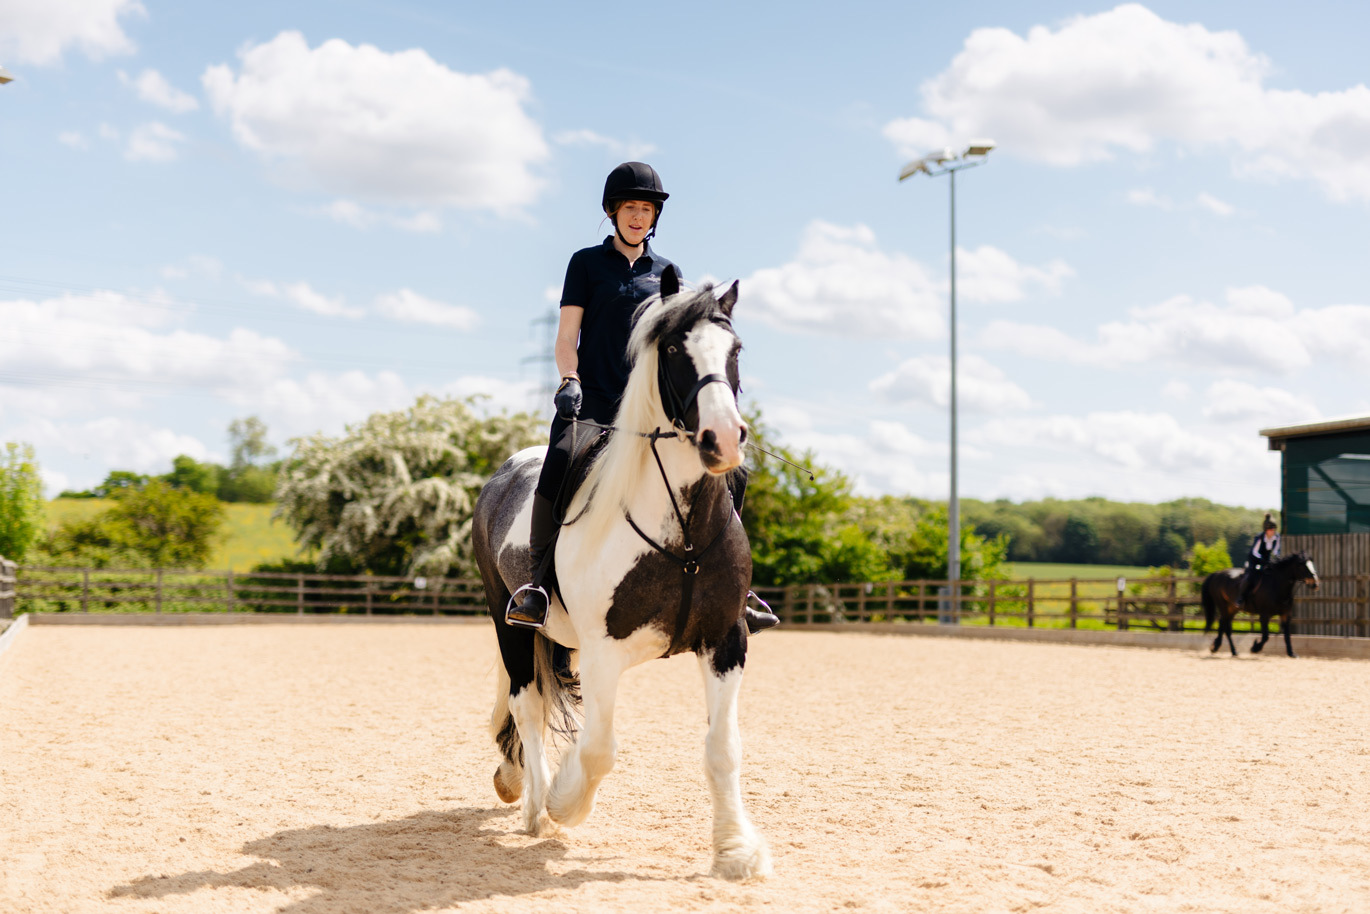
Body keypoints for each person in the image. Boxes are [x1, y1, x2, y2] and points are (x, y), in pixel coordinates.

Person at [506, 162, 777, 635]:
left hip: (652, 412)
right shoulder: (585, 264)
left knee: (730, 473)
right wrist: (569, 379)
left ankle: (736, 588)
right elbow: (567, 336)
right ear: (612, 212)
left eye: (646, 209)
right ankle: (539, 586)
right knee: (560, 461)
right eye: (630, 208)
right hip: (594, 404)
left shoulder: (669, 274)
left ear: (655, 217)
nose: (638, 217)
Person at [1236, 513, 1280, 609]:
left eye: (1274, 529)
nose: (1272, 531)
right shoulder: (1259, 537)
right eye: (1270, 529)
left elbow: (1276, 550)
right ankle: (1241, 598)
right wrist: (1262, 560)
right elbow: (1254, 552)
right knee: (1251, 576)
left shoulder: (1276, 537)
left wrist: (1276, 557)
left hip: (1266, 560)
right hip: (1255, 560)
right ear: (1266, 530)